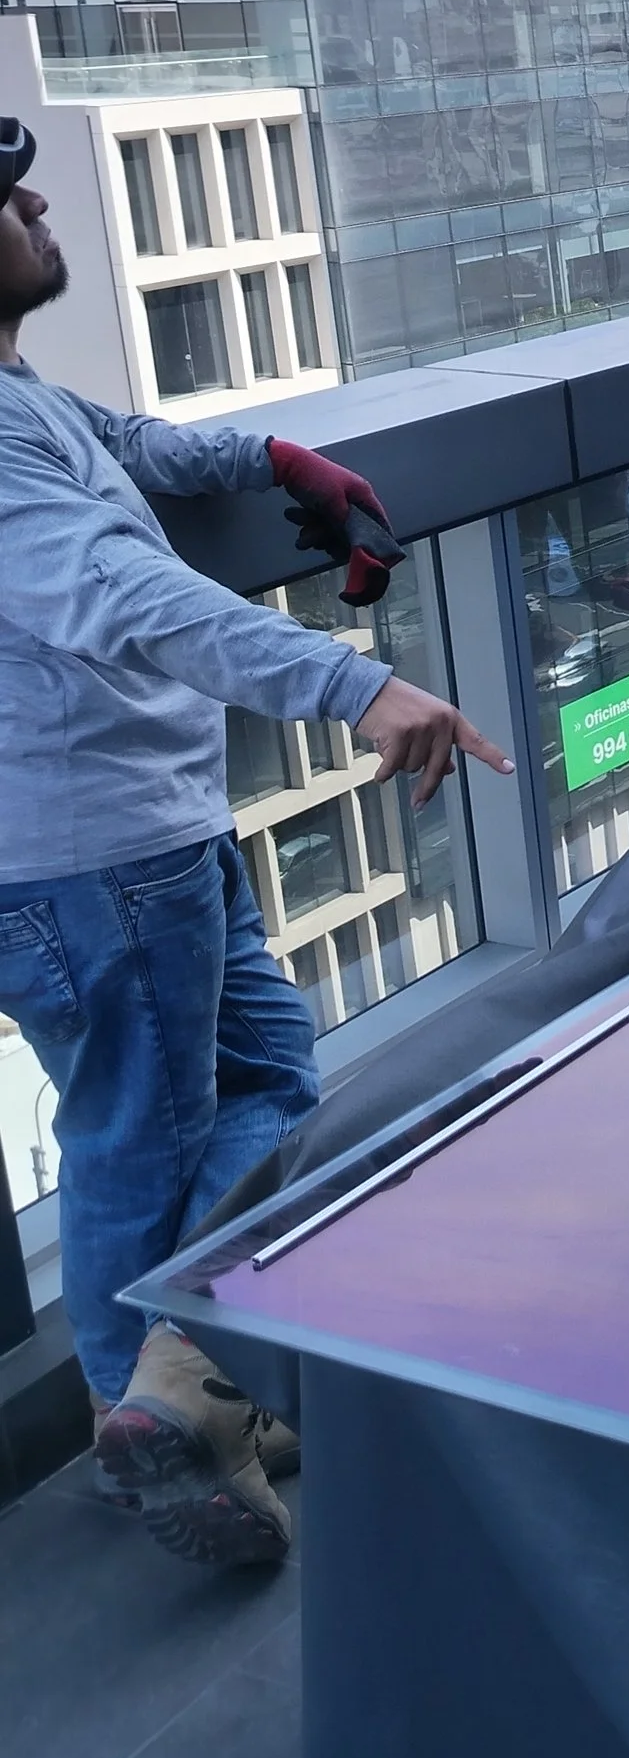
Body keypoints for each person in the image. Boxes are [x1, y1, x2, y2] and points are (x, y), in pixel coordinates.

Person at [0, 118, 510, 1566]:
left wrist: (276, 454)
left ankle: (174, 1400)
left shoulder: (21, 397)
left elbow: (133, 449)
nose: (34, 201)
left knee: (267, 1082)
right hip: (92, 860)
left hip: (132, 840)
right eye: (3, 193)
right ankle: (153, 1414)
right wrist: (356, 682)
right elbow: (128, 594)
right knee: (134, 1149)